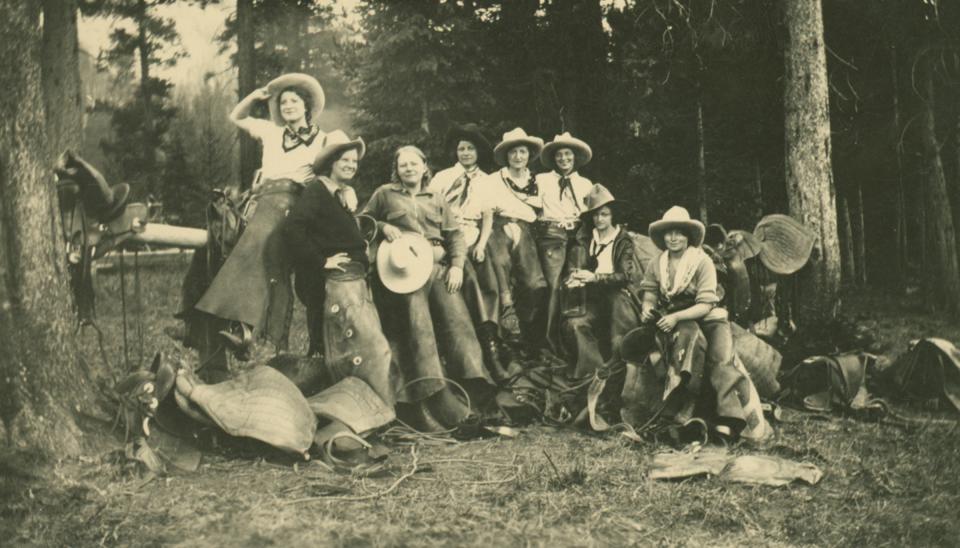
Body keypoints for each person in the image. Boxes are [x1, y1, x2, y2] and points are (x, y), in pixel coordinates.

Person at [195, 73, 345, 358]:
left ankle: (249, 330)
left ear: (307, 107)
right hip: (260, 199)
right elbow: (236, 117)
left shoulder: (324, 139)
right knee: (225, 243)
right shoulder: (272, 132)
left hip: (292, 200)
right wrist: (254, 97)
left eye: (294, 101)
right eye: (283, 102)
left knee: (260, 244)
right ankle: (219, 323)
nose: (288, 106)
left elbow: (339, 169)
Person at [362, 145, 494, 430]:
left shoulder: (436, 197)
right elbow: (363, 222)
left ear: (425, 167)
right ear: (396, 170)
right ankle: (435, 394)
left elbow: (455, 234)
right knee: (418, 321)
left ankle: (474, 386)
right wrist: (383, 226)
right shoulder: (384, 194)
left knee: (457, 318)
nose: (408, 169)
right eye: (402, 165)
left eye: (413, 164)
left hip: (436, 267)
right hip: (403, 271)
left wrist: (457, 264)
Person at [636, 206, 770, 441]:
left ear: (688, 236)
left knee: (721, 358)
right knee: (681, 346)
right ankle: (673, 410)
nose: (673, 238)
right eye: (669, 233)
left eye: (679, 233)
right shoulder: (657, 263)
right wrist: (648, 310)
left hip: (705, 316)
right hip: (672, 318)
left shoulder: (701, 261)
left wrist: (677, 317)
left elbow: (706, 303)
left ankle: (729, 422)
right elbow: (649, 294)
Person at [429, 123, 511, 381]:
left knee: (488, 270)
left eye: (470, 149)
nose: (465, 153)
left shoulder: (486, 181)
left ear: (477, 153)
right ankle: (481, 344)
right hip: (448, 233)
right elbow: (431, 209)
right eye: (461, 149)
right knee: (466, 272)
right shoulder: (442, 177)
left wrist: (481, 243)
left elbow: (487, 216)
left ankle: (491, 340)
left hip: (474, 232)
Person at [477, 127, 549, 354]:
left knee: (535, 283)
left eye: (522, 152)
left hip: (527, 229)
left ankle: (526, 331)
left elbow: (542, 212)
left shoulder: (537, 181)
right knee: (499, 266)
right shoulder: (493, 180)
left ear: (529, 155)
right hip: (497, 226)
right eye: (513, 152)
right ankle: (504, 333)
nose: (518, 157)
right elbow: (486, 211)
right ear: (506, 155)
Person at [561, 184, 642, 378]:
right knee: (575, 324)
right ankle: (593, 374)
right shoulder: (587, 239)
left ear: (612, 215)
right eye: (595, 215)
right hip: (592, 298)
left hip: (618, 298)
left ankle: (619, 372)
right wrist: (573, 279)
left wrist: (594, 277)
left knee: (619, 336)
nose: (599, 219)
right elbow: (575, 268)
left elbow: (624, 276)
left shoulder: (622, 240)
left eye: (604, 214)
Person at [535, 132, 595, 351]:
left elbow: (592, 213)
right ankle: (549, 343)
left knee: (575, 284)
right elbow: (529, 204)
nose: (563, 159)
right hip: (551, 235)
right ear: (554, 158)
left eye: (568, 154)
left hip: (578, 234)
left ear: (575, 157)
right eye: (559, 155)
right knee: (552, 286)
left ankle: (572, 342)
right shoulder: (542, 180)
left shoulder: (585, 183)